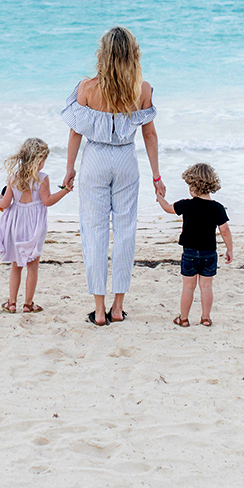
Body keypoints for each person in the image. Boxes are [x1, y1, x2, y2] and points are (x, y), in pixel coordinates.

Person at [61, 26, 165, 326]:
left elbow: (76, 132)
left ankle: (99, 309)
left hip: (95, 158)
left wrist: (69, 169)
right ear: (134, 54)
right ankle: (118, 307)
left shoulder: (87, 88)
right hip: (125, 159)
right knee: (125, 230)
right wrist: (157, 176)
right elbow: (149, 135)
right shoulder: (142, 90)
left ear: (103, 54)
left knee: (94, 231)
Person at [0, 137, 71, 313]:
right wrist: (65, 191)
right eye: (43, 159)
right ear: (38, 160)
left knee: (16, 265)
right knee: (32, 266)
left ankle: (12, 303)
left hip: (16, 224)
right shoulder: (42, 178)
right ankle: (28, 304)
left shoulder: (14, 177)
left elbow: (5, 204)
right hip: (34, 225)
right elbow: (48, 201)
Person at [156, 162, 232, 327]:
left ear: (193, 186)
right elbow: (225, 230)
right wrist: (229, 249)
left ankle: (184, 319)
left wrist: (159, 197)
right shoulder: (217, 208)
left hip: (189, 253)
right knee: (206, 287)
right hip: (209, 254)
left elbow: (168, 208)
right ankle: (205, 318)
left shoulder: (187, 205)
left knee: (188, 287)